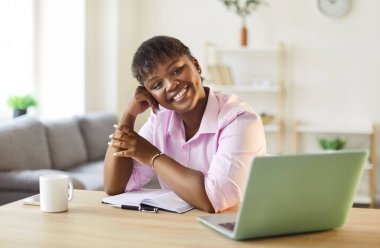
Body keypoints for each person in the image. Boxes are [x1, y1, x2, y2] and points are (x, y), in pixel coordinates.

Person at [104, 36, 266, 213]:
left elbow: (214, 198)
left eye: (176, 70)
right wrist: (128, 115)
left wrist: (153, 157)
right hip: (180, 229)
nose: (172, 84)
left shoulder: (238, 118)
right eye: (157, 85)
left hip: (232, 226)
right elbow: (116, 187)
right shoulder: (160, 119)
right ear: (151, 95)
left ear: (196, 65)